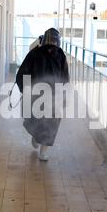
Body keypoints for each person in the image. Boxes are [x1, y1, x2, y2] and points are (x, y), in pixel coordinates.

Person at [16, 28, 70, 161]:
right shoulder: (34, 54)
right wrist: (26, 90)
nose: (52, 47)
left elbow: (65, 77)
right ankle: (35, 136)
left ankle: (43, 150)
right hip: (36, 96)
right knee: (35, 121)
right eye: (49, 43)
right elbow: (22, 74)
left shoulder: (61, 55)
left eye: (54, 44)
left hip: (54, 97)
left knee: (52, 124)